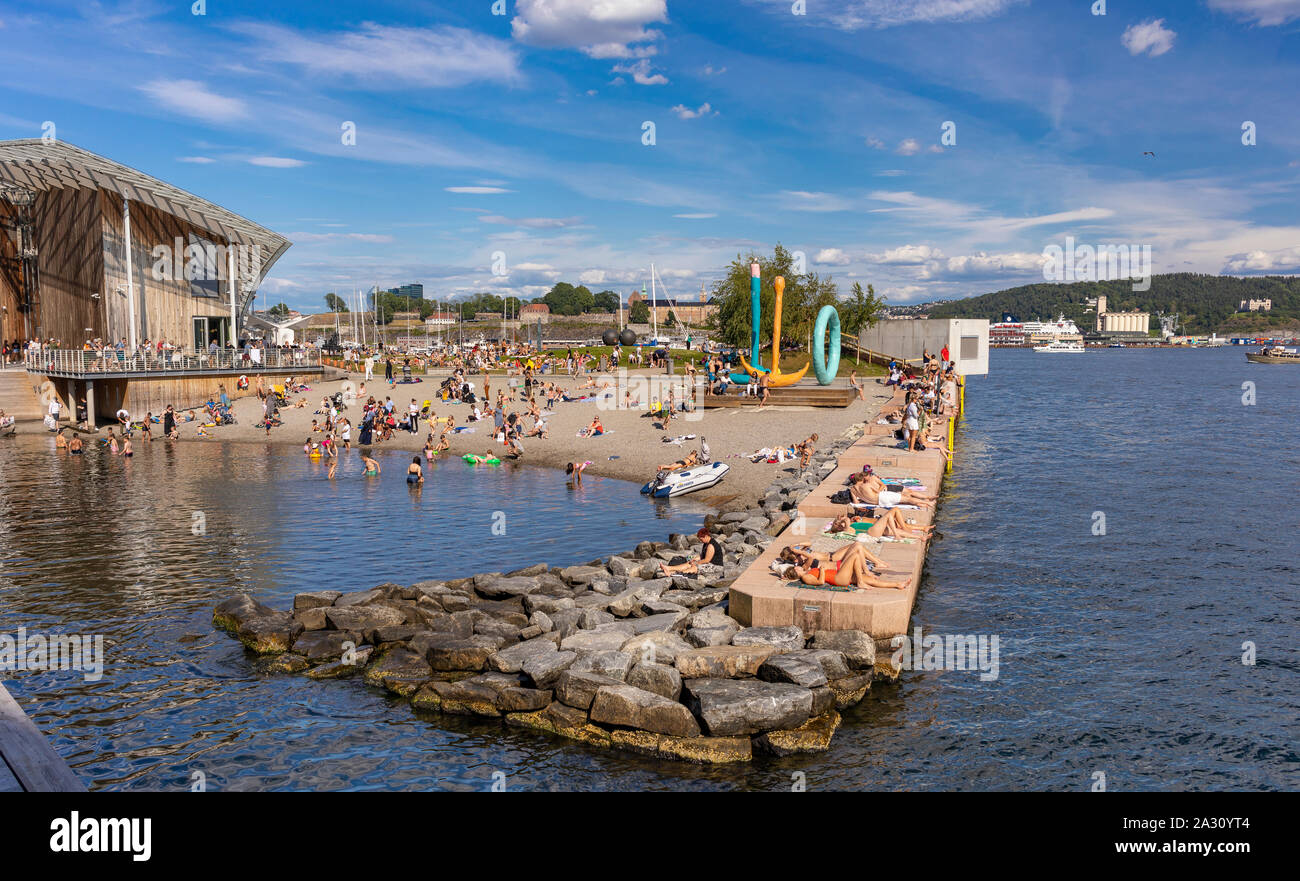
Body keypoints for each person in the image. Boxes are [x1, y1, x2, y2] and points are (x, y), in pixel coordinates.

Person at [791, 542, 908, 590]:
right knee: (855, 555)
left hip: (840, 575)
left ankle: (898, 584)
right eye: (795, 567)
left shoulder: (806, 572)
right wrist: (822, 571)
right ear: (796, 571)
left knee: (871, 580)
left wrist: (796, 545)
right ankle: (862, 578)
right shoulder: (805, 574)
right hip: (838, 577)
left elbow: (808, 545)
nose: (797, 566)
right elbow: (820, 582)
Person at [659, 528, 725, 576]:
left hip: (716, 566)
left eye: (701, 539)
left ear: (706, 536)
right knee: (689, 563)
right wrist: (694, 560)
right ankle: (668, 568)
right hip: (709, 564)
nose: (700, 540)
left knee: (694, 568)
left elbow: (707, 560)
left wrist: (696, 563)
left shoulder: (711, 545)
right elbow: (702, 556)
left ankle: (672, 573)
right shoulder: (706, 543)